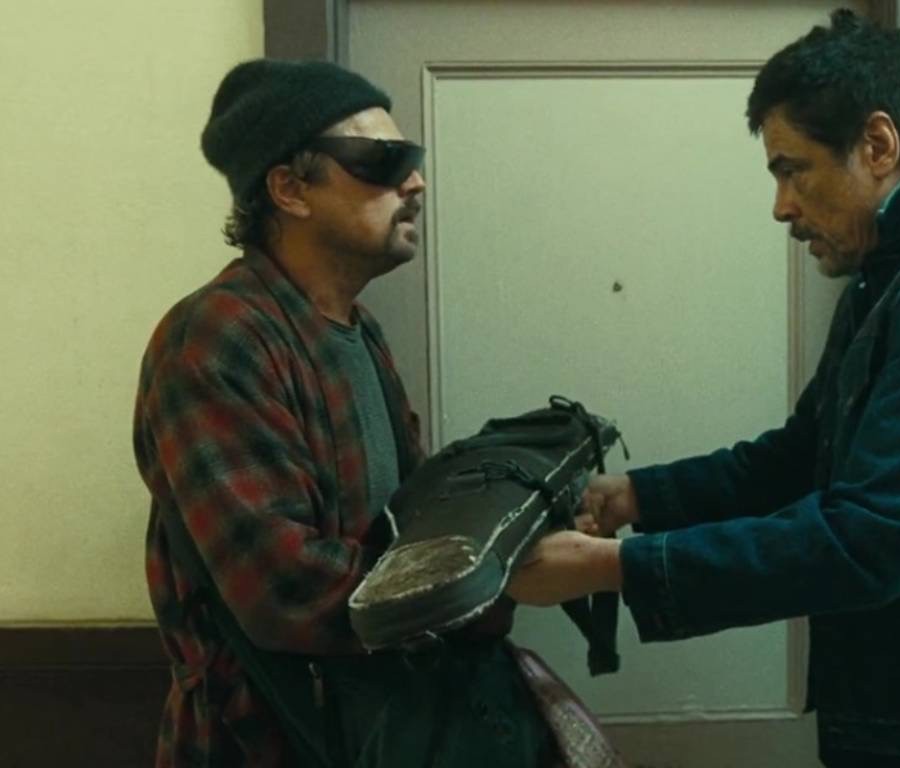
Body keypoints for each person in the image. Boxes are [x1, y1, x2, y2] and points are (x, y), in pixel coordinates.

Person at [508, 10, 900, 767]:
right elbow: (803, 455)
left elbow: (870, 539)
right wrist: (636, 498)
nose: (782, 206)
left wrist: (612, 567)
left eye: (792, 169)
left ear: (877, 145)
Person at [133, 59, 609, 768]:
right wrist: (489, 582)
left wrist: (516, 528)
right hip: (276, 739)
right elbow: (283, 587)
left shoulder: (356, 331)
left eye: (411, 160)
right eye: (382, 161)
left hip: (388, 725)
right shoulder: (217, 336)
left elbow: (402, 529)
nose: (414, 183)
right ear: (289, 188)